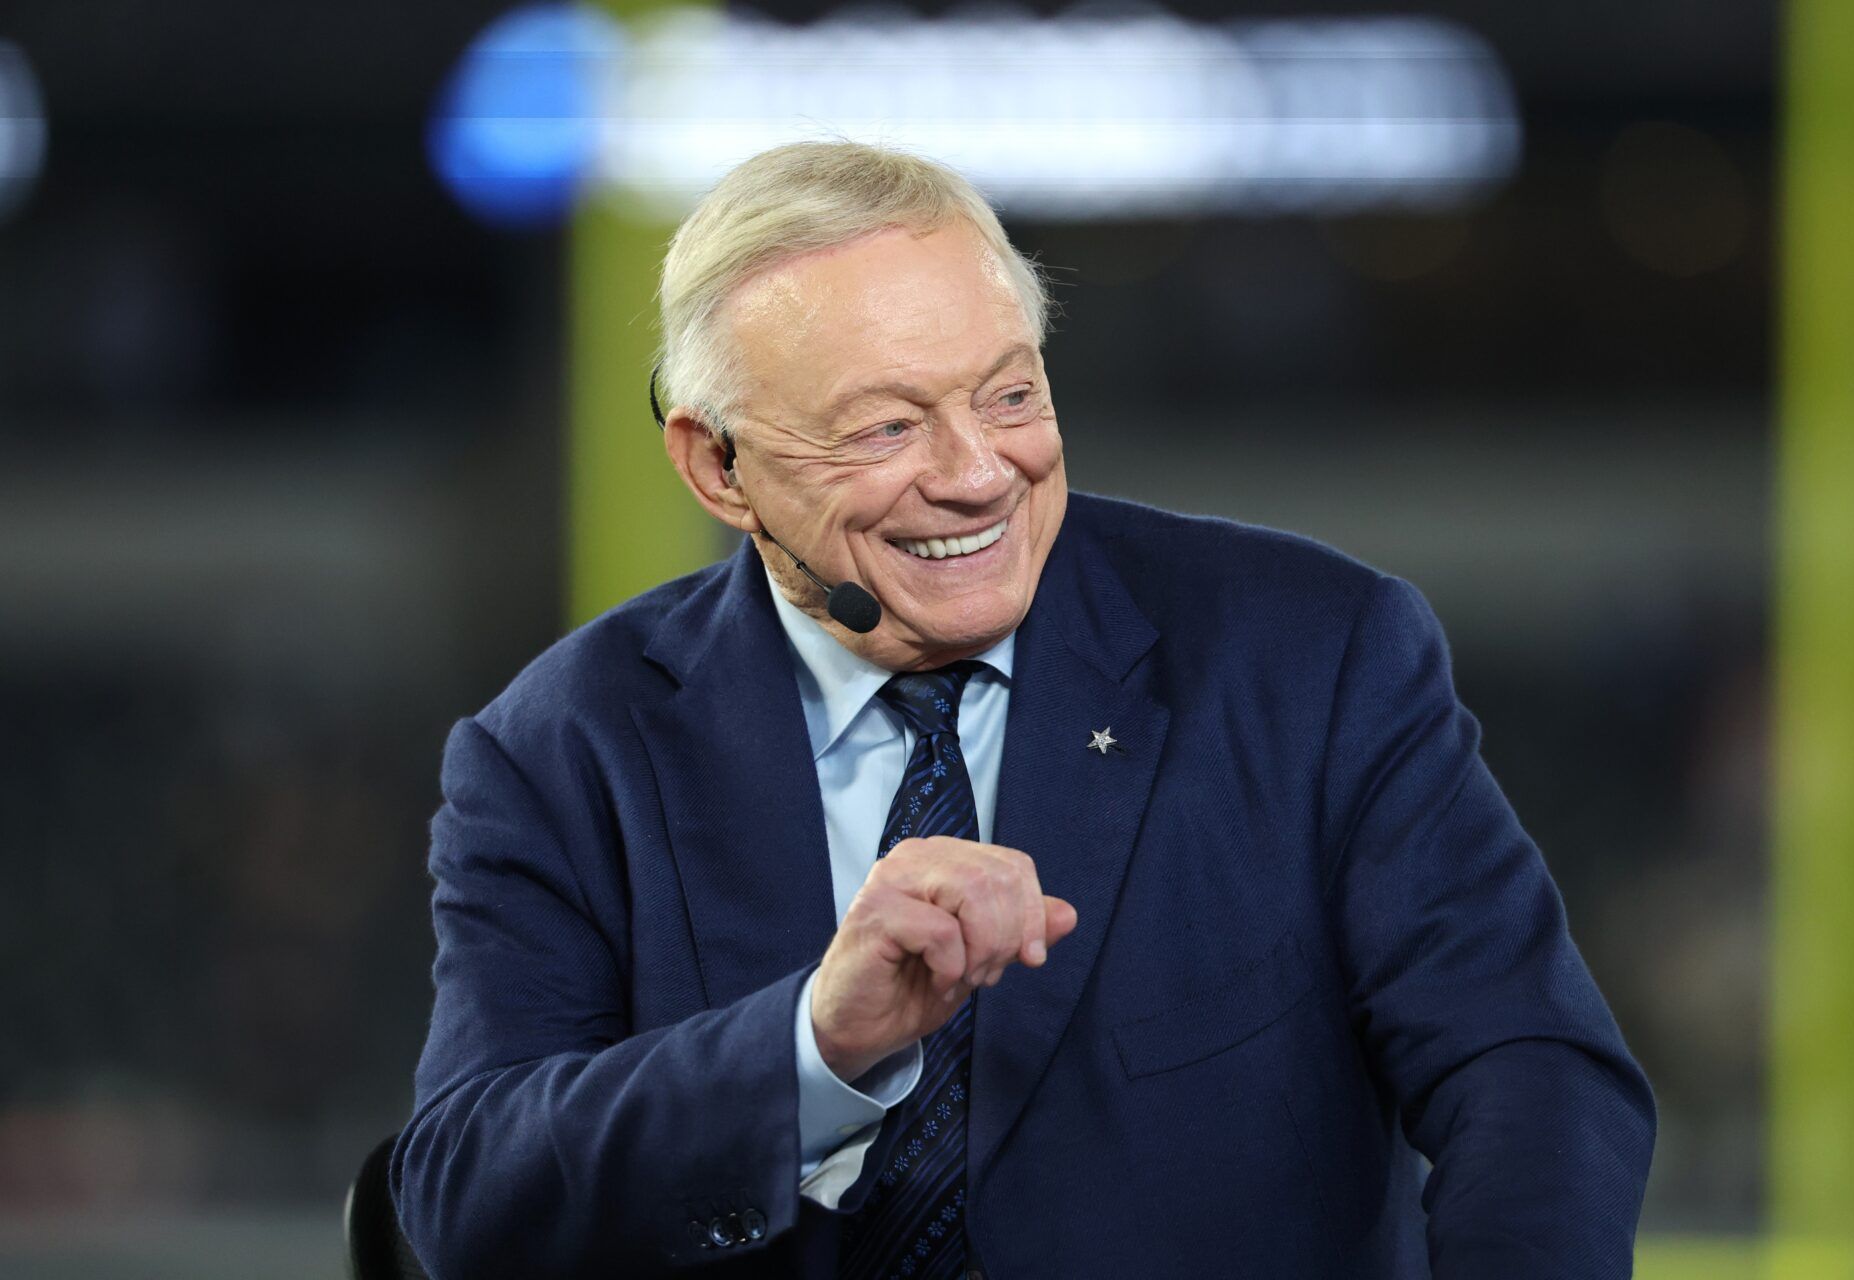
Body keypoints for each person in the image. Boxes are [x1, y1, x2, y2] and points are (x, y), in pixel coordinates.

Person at [391, 140, 1655, 1279]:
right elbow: (465, 1196)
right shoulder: (562, 750)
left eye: (1009, 394)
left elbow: (1527, 1067)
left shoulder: (1310, 656)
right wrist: (812, 1047)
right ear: (718, 464)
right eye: (885, 427)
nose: (977, 474)